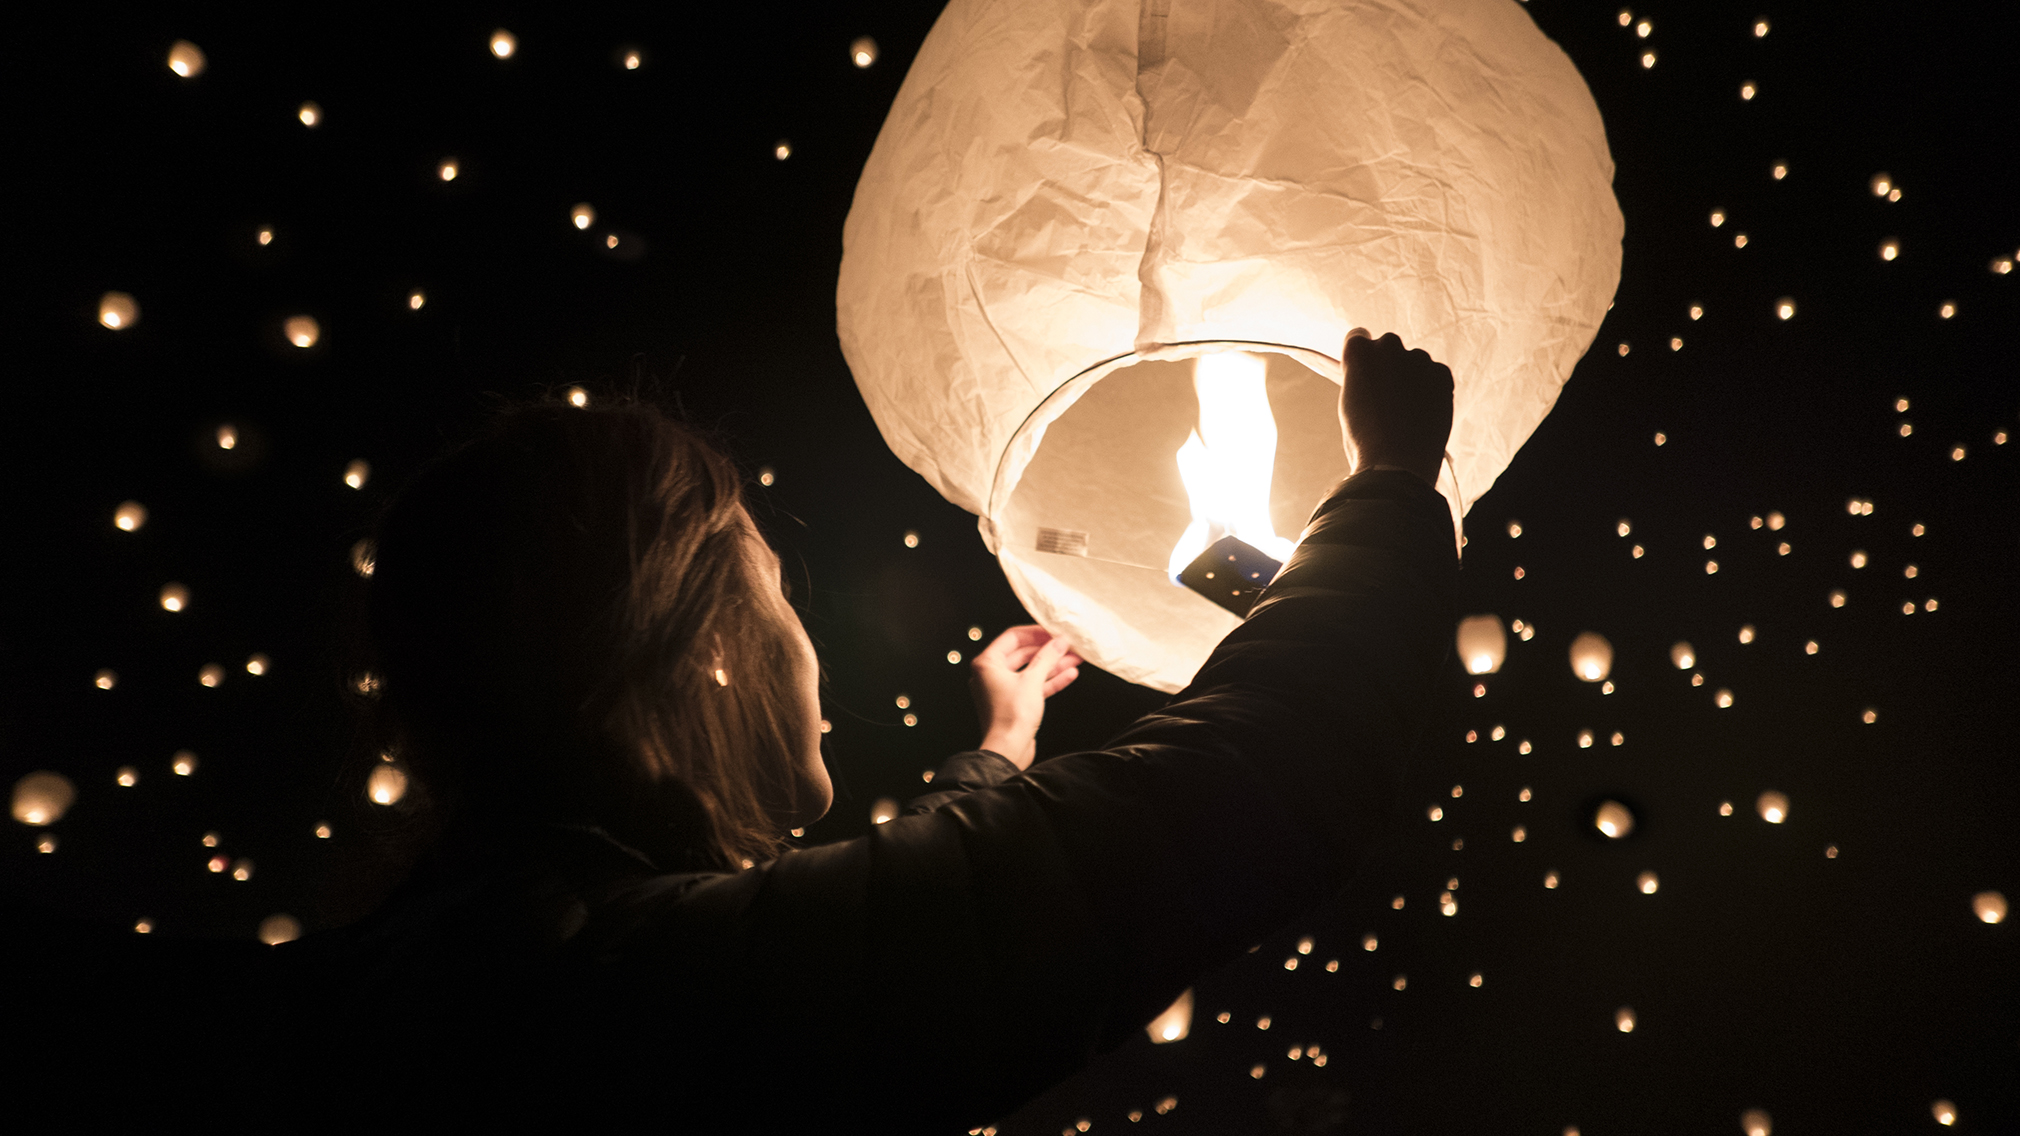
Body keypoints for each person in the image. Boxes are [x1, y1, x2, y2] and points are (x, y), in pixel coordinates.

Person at [263, 329, 1457, 1131]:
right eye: (778, 592)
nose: (807, 648)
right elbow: (1245, 784)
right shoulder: (633, 989)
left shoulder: (455, 971)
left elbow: (877, 937)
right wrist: (1392, 487)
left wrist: (997, 753)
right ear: (698, 644)